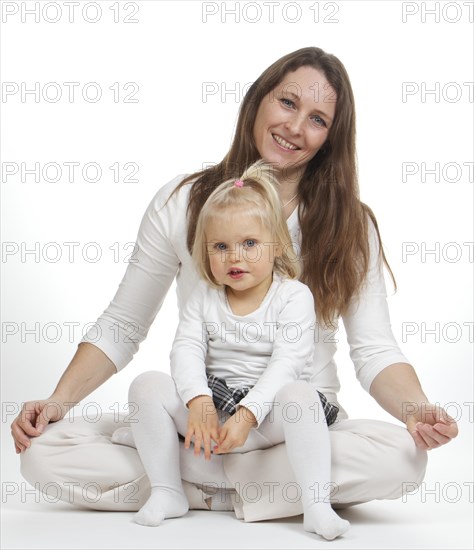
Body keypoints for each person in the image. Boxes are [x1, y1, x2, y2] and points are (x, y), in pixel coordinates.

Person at [15, 47, 458, 520]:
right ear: (257, 101)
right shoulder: (181, 201)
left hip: (293, 424)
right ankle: (262, 489)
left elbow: (374, 349)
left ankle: (189, 483)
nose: (294, 127)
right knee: (45, 452)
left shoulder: (351, 225)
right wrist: (57, 402)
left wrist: (416, 409)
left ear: (331, 138)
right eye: (287, 103)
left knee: (403, 458)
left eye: (317, 120)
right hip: (200, 412)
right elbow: (124, 323)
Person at [111, 160, 349, 540]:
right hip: (213, 416)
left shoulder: (292, 296)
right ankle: (168, 490)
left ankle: (315, 503)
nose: (234, 257)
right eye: (220, 247)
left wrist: (248, 415)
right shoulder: (205, 297)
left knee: (301, 397)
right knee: (147, 386)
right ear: (205, 253)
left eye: (249, 244)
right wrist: (198, 401)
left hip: (269, 417)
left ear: (276, 245)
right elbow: (185, 350)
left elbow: (288, 364)